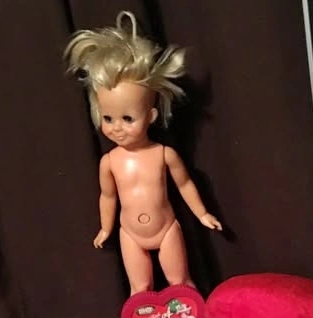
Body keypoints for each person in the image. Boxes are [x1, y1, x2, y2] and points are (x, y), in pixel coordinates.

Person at [65, 12, 222, 295]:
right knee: (140, 289)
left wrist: (202, 213)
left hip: (166, 229)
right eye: (108, 118)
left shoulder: (163, 154)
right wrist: (105, 228)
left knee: (181, 282)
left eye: (128, 118)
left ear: (150, 116)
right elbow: (108, 196)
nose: (117, 128)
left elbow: (185, 184)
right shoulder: (109, 162)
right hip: (130, 233)